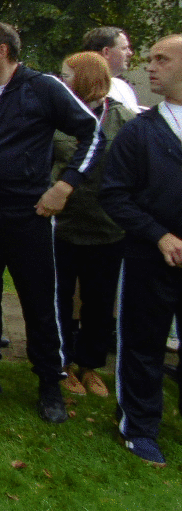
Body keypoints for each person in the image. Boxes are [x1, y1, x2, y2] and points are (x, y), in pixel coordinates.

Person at [0, 22, 101, 424]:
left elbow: (92, 133)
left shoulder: (43, 88)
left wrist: (64, 186)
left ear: (1, 50)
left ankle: (49, 381)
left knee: (38, 299)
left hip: (29, 214)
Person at [99, 34, 182, 466]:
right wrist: (159, 235)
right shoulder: (140, 131)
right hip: (149, 258)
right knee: (143, 344)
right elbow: (114, 195)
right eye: (149, 58)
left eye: (161, 59)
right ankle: (140, 426)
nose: (150, 66)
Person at [53, 52, 133, 397]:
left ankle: (90, 366)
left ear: (86, 77)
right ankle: (62, 364)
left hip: (107, 227)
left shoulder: (124, 120)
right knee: (59, 299)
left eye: (67, 75)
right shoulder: (58, 118)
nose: (62, 81)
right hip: (63, 225)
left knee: (99, 302)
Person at [82, 26, 140, 112]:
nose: (130, 53)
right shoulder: (84, 90)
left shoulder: (122, 86)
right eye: (124, 48)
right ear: (106, 52)